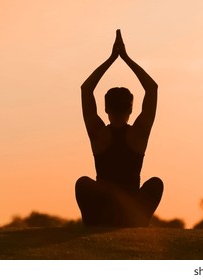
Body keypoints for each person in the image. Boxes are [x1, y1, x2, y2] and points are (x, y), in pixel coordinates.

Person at [76, 30, 163, 227]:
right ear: (131, 108)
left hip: (103, 206)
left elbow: (86, 89)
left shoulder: (99, 134)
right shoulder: (138, 134)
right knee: (156, 183)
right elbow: (152, 89)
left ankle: (94, 224)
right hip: (129, 207)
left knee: (82, 182)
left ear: (105, 108)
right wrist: (126, 58)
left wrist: (111, 59)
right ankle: (136, 223)